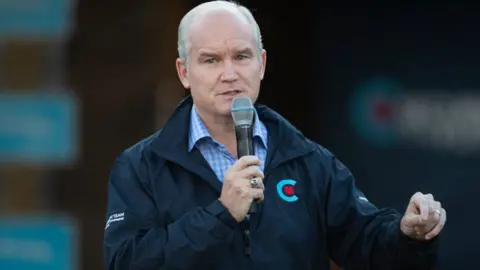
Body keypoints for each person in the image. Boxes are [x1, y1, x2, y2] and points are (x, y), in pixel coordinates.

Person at [102, 1, 447, 269]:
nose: (230, 73)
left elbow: (366, 244)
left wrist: (408, 236)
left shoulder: (308, 159)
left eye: (241, 56)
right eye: (211, 60)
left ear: (262, 64)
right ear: (184, 72)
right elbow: (127, 262)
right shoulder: (140, 166)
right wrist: (221, 215)